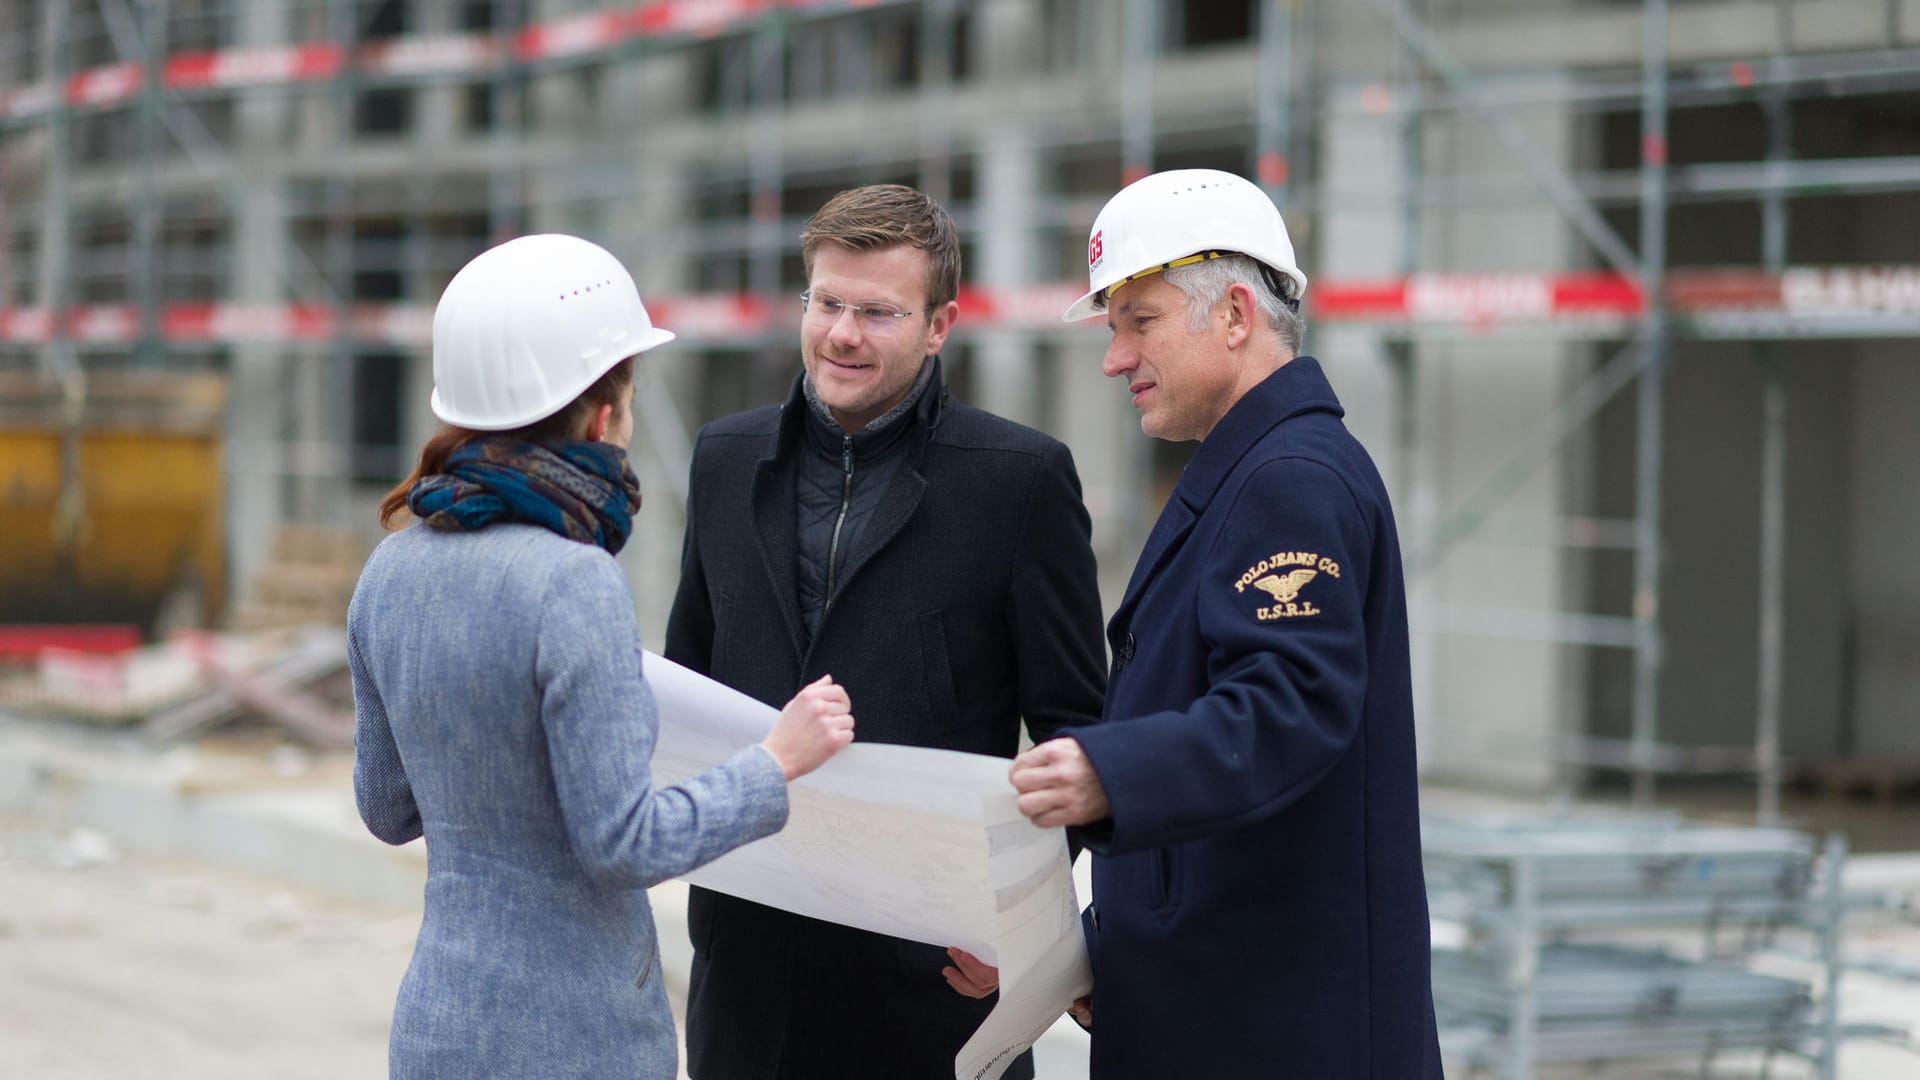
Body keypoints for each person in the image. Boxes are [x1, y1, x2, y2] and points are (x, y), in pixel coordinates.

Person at [348, 233, 856, 1080]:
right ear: (604, 414)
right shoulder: (573, 581)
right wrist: (774, 763)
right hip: (576, 1041)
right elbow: (622, 842)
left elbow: (387, 808)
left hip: (438, 1030)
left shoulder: (389, 567)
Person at [1006, 169, 1444, 1077]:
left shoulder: (1291, 480)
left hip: (1275, 1034)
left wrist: (1106, 771)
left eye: (1140, 320)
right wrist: (1099, 943)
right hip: (1230, 1007)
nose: (1114, 357)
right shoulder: (1260, 471)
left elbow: (1288, 707)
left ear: (1236, 315)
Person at [664, 184, 1107, 1079]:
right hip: (747, 969)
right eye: (827, 303)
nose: (842, 335)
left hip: (933, 981)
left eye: (877, 312)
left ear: (940, 325)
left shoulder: (1019, 482)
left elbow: (1080, 737)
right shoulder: (723, 459)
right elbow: (688, 682)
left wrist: (1029, 935)